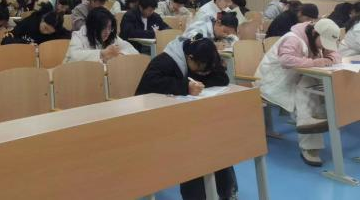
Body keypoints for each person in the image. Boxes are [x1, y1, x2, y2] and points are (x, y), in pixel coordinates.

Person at [135, 36, 236, 199]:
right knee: (195, 147)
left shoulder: (204, 57)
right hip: (155, 118)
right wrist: (185, 86)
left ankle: (225, 191)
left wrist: (200, 78)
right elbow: (148, 85)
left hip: (185, 117)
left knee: (216, 139)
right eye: (199, 69)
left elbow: (221, 78)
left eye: (205, 71)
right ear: (189, 58)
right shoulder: (165, 61)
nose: (202, 73)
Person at [255, 19, 341, 167]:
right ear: (315, 33)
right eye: (324, 42)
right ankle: (309, 143)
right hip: (273, 83)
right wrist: (315, 62)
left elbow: (335, 54)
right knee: (308, 95)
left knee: (311, 88)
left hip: (294, 80)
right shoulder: (293, 39)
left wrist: (329, 58)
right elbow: (286, 60)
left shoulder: (316, 39)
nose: (325, 47)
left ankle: (311, 124)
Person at [64, 7, 137, 63]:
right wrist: (101, 54)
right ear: (93, 27)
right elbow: (74, 56)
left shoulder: (111, 36)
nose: (107, 32)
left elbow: (132, 50)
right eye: (103, 28)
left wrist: (120, 54)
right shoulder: (79, 36)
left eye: (110, 27)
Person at [1, 3, 70, 45]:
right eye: (45, 28)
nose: (45, 32)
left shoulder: (57, 29)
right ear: (42, 20)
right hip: (20, 53)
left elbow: (70, 37)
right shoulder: (30, 21)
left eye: (49, 32)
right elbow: (6, 39)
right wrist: (26, 43)